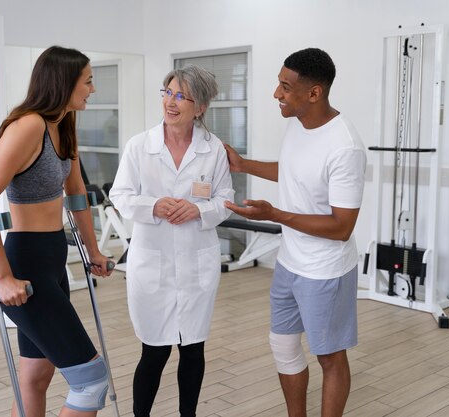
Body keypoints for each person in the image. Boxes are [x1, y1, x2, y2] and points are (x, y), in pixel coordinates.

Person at [0, 45, 114, 417]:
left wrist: (93, 250)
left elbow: (77, 194)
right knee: (91, 380)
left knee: (36, 376)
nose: (92, 89)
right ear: (64, 83)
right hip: (25, 262)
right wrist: (2, 278)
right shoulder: (28, 126)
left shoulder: (63, 124)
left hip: (54, 257)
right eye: (88, 81)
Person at [224, 48, 366, 417]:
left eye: (285, 87)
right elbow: (291, 171)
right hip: (290, 262)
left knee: (330, 356)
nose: (277, 94)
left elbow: (341, 226)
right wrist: (243, 165)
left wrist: (275, 214)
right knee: (282, 345)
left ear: (314, 93)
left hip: (325, 270)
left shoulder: (345, 147)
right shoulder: (297, 124)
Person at [109, 64, 233, 417]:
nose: (171, 102)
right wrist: (154, 206)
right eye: (168, 93)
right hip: (153, 265)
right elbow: (120, 194)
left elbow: (225, 198)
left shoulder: (213, 149)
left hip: (197, 263)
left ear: (201, 106)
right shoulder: (139, 146)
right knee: (155, 350)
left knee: (193, 348)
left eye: (181, 96)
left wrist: (199, 211)